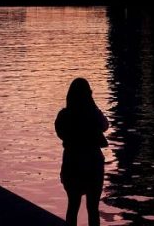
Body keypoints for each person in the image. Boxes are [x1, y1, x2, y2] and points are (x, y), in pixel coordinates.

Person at [55, 78, 109, 226]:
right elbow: (105, 125)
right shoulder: (93, 115)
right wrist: (93, 106)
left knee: (72, 206)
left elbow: (60, 133)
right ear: (89, 95)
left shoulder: (63, 116)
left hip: (72, 164)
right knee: (93, 209)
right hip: (93, 165)